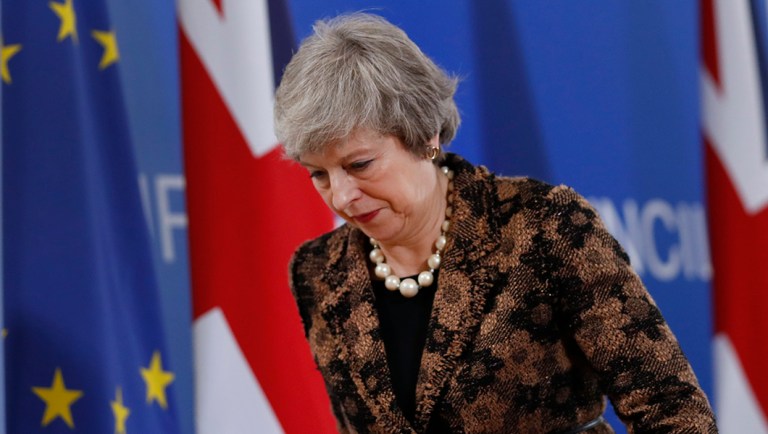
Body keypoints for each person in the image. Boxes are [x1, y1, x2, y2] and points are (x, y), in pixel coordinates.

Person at [275, 13, 717, 434]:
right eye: (319, 174)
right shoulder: (317, 270)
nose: (342, 196)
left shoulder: (545, 227)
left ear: (425, 137)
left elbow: (673, 411)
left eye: (360, 164)